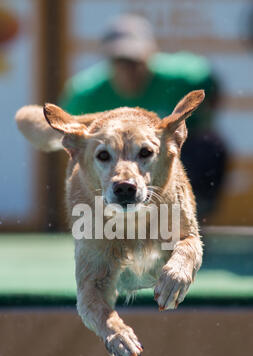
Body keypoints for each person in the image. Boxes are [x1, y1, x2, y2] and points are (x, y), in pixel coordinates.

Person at [60, 14, 227, 222]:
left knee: (209, 143)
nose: (128, 70)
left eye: (134, 61)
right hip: (112, 171)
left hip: (174, 156)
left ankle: (193, 213)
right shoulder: (85, 95)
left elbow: (211, 85)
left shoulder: (185, 77)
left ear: (151, 55)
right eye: (120, 62)